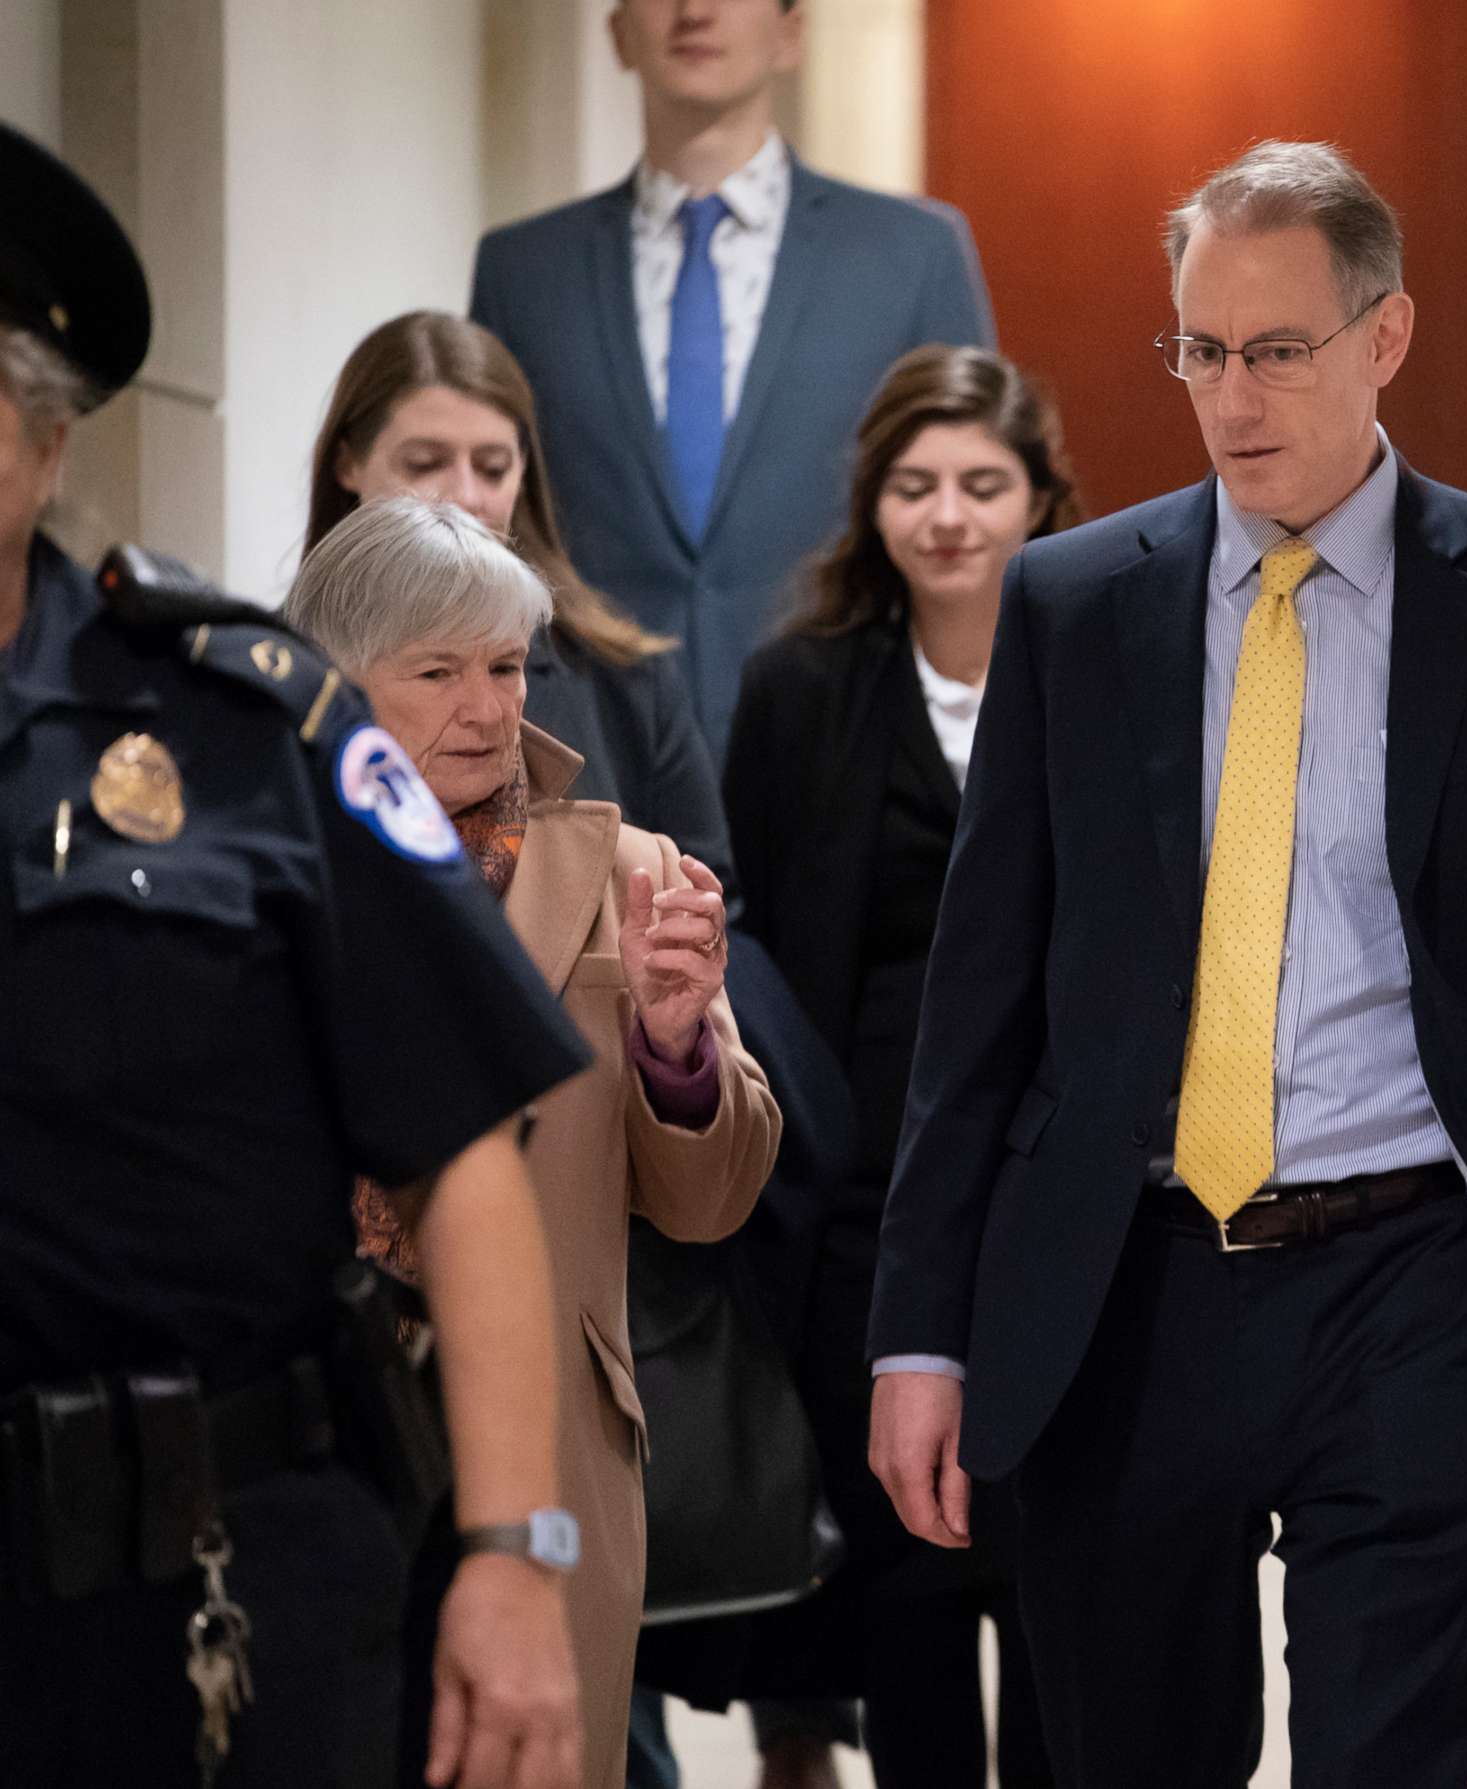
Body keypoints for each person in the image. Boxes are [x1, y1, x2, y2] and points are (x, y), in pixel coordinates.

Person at [866, 141, 1467, 1789]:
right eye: (1201, 349)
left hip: (1405, 1272)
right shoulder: (1070, 604)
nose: (1233, 396)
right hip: (1127, 1279)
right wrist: (916, 1334)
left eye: (1276, 349)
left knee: (1384, 1753)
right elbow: (973, 1009)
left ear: (1384, 338)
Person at [0, 124, 589, 1789]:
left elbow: (467, 1142)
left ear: (46, 441)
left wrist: (513, 1551)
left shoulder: (256, 726)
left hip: (206, 1569)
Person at [284, 495, 784, 1789]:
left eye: (505, 668)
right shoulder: (265, 868)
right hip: (308, 1440)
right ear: (339, 682)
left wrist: (678, 1049)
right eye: (438, 671)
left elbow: (710, 1200)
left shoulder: (628, 871)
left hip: (552, 1451)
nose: (487, 708)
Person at [723, 343, 1077, 1789]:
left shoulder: (1109, 669)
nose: (949, 517)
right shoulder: (798, 688)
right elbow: (761, 950)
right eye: (916, 485)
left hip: (1060, 1189)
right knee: (907, 1572)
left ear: (1042, 500)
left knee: (1055, 1568)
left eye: (984, 485)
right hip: (865, 1195)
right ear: (873, 505)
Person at [470, 0, 995, 749]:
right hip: (598, 746)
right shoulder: (523, 271)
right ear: (618, 33)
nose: (695, 10)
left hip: (851, 746)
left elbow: (982, 508)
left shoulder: (913, 255)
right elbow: (489, 527)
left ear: (791, 32)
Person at [308, 310, 733, 884]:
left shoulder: (627, 680)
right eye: (426, 463)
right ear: (347, 464)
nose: (464, 496)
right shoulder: (276, 669)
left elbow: (713, 906)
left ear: (523, 474)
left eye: (492, 467)